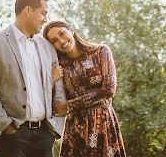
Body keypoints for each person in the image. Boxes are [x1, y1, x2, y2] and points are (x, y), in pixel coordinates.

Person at [0, 0, 67, 157]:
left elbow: (58, 89)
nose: (45, 19)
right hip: (11, 136)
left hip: (44, 137)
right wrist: (7, 127)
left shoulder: (48, 46)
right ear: (28, 11)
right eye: (43, 13)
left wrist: (55, 128)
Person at [43, 20, 127, 157]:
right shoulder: (58, 65)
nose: (61, 41)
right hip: (75, 128)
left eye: (62, 33)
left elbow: (108, 90)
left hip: (102, 123)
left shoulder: (100, 51)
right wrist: (50, 80)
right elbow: (52, 103)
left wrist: (70, 105)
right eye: (54, 40)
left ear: (71, 30)